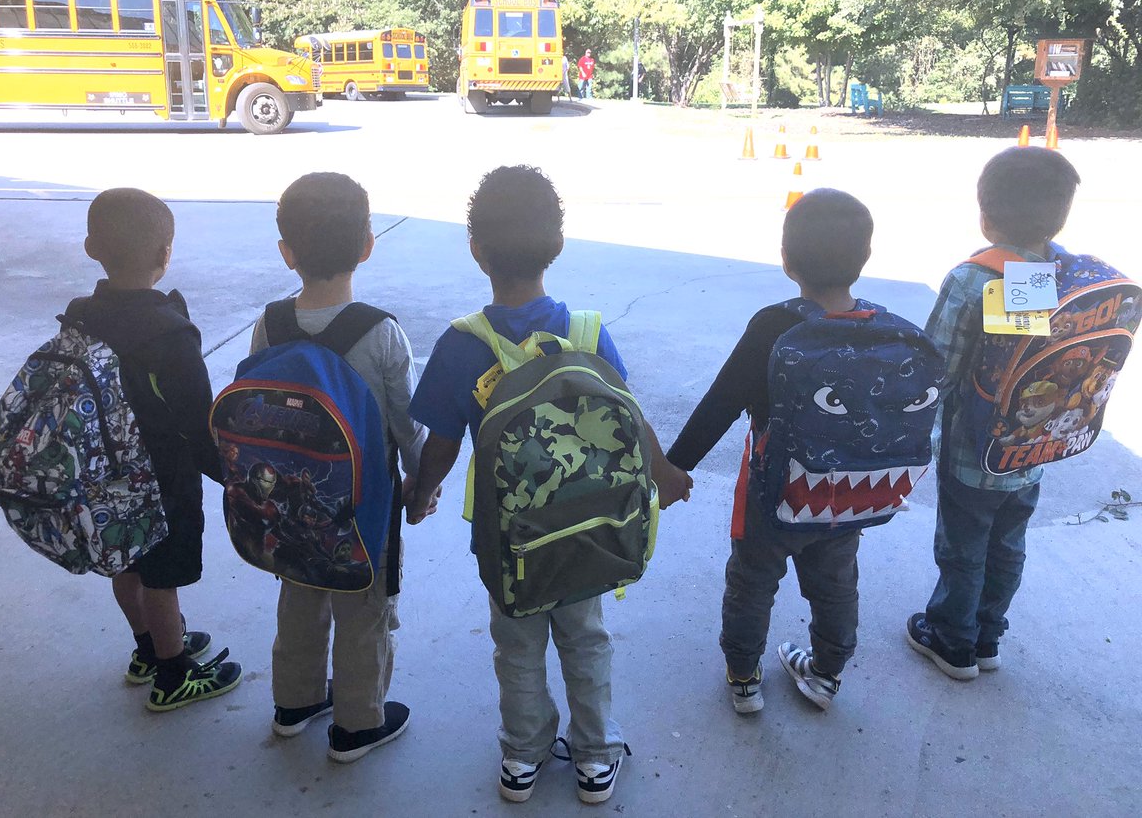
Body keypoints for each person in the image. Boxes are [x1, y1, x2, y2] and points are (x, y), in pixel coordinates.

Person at [404, 165, 691, 805]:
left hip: (506, 537)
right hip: (589, 529)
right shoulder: (587, 332)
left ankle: (523, 756)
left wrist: (421, 492)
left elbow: (443, 442)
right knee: (585, 638)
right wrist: (665, 475)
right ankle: (594, 757)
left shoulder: (460, 345)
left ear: (476, 250)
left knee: (517, 643)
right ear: (557, 246)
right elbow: (629, 416)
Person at [667, 189, 878, 713]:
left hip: (773, 488)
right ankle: (826, 674)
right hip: (850, 492)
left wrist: (674, 468)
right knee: (835, 584)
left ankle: (743, 677)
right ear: (865, 258)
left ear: (787, 261)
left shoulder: (774, 324)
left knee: (753, 580)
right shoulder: (881, 328)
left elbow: (722, 401)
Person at [249, 172, 433, 760]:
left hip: (289, 502)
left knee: (300, 594)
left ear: (287, 253)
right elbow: (407, 422)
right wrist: (420, 485)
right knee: (365, 610)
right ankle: (358, 724)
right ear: (367, 245)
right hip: (364, 506)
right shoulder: (381, 332)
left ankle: (295, 700)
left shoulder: (269, 323)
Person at [906, 147, 1082, 679]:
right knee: (1008, 545)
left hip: (972, 453)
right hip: (1033, 448)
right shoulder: (1068, 273)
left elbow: (937, 368)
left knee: (963, 545)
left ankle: (951, 641)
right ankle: (987, 638)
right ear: (1061, 215)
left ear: (985, 217)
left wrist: (918, 440)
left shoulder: (974, 279)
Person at [64, 188, 241, 711]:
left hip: (100, 469)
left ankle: (146, 649)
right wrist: (229, 473)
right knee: (162, 576)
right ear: (165, 255)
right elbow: (198, 418)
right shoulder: (169, 331)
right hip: (160, 475)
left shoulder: (79, 315)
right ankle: (172, 672)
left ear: (92, 247)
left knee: (126, 561)